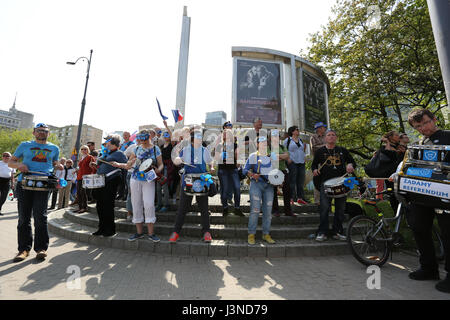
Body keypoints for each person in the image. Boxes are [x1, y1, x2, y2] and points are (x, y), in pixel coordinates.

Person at [405, 108, 450, 293]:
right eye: (418, 126)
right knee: (419, 227)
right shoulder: (418, 144)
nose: (423, 128)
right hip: (422, 195)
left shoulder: (448, 137)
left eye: (425, 122)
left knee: (448, 233)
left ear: (434, 119)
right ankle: (428, 268)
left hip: (446, 195)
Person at [9, 123, 62, 262]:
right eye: (39, 131)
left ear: (48, 134)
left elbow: (55, 162)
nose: (42, 133)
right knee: (23, 217)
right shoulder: (24, 145)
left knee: (40, 216)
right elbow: (11, 162)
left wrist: (58, 164)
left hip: (44, 184)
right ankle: (23, 249)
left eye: (45, 131)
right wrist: (19, 165)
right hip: (24, 183)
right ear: (34, 132)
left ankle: (41, 249)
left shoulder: (54, 148)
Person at [112, 130, 162, 242]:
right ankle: (139, 233)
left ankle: (151, 233)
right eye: (140, 138)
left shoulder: (155, 149)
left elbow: (161, 164)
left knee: (149, 204)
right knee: (136, 203)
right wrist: (119, 164)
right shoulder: (137, 148)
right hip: (135, 178)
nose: (141, 141)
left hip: (148, 179)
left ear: (148, 137)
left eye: (143, 138)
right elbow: (129, 164)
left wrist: (158, 170)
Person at [169, 130, 215, 243]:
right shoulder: (185, 150)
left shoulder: (205, 150)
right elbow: (177, 161)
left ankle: (207, 232)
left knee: (204, 209)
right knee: (182, 209)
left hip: (201, 181)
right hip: (188, 181)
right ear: (193, 139)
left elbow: (210, 161)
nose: (200, 139)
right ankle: (176, 232)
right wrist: (177, 160)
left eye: (201, 137)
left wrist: (212, 167)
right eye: (197, 137)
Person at [312, 129, 356, 242]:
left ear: (336, 138)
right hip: (325, 184)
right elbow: (313, 165)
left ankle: (337, 231)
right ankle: (322, 232)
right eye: (329, 135)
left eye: (333, 135)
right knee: (325, 208)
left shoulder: (342, 150)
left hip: (340, 183)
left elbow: (352, 161)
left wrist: (350, 165)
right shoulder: (320, 151)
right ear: (325, 138)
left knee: (340, 209)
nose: (331, 137)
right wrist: (315, 170)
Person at [89, 135, 127, 237]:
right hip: (101, 180)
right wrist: (95, 165)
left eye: (108, 143)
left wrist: (117, 164)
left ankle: (110, 229)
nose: (106, 144)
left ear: (114, 143)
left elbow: (126, 165)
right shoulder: (104, 153)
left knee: (108, 205)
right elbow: (101, 166)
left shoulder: (119, 153)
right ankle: (101, 228)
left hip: (112, 180)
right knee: (100, 205)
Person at [243, 135, 277, 245]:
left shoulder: (272, 155)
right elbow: (244, 170)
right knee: (255, 210)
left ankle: (266, 234)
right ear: (257, 144)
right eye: (261, 142)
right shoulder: (253, 156)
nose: (263, 144)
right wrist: (252, 174)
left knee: (268, 211)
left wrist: (278, 180)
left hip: (269, 186)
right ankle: (251, 234)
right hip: (256, 185)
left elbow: (276, 170)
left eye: (265, 142)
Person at [215, 124, 243, 217]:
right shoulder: (220, 145)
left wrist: (237, 156)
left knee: (237, 188)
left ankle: (237, 208)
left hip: (233, 170)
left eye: (227, 134)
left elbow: (238, 160)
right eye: (224, 134)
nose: (225, 135)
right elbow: (216, 158)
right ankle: (225, 208)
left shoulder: (235, 145)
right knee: (225, 190)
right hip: (223, 170)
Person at [270, 130, 293, 217]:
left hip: (283, 170)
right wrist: (281, 156)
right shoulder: (268, 147)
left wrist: (277, 156)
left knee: (287, 190)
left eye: (277, 136)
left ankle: (288, 211)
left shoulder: (283, 147)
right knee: (274, 191)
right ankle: (275, 211)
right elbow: (271, 158)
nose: (276, 138)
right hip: (273, 171)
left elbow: (287, 156)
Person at [284, 125, 308, 205]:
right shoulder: (287, 140)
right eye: (296, 129)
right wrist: (288, 159)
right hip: (292, 162)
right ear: (292, 131)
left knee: (300, 181)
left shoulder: (300, 140)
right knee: (292, 180)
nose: (298, 131)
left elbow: (302, 151)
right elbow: (284, 151)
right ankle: (291, 197)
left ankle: (300, 198)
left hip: (301, 162)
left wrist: (304, 157)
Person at [156, 121, 173, 213]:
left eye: (168, 135)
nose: (166, 136)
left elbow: (172, 135)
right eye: (165, 135)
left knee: (165, 186)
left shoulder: (172, 144)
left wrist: (166, 126)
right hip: (161, 167)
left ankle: (166, 205)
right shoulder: (161, 146)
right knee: (158, 186)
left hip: (168, 167)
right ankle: (159, 204)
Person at [74, 145, 96, 213]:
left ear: (88, 150)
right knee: (78, 193)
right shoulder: (81, 158)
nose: (84, 150)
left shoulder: (90, 157)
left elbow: (94, 167)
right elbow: (81, 167)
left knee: (83, 192)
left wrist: (92, 174)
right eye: (82, 149)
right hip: (79, 177)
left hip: (86, 177)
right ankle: (80, 207)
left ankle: (84, 207)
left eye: (85, 149)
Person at [310, 122, 327, 204]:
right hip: (318, 162)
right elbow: (314, 148)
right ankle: (317, 200)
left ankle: (326, 199)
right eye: (323, 127)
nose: (325, 129)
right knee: (317, 180)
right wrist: (325, 146)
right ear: (319, 129)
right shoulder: (313, 137)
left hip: (327, 161)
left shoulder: (326, 136)